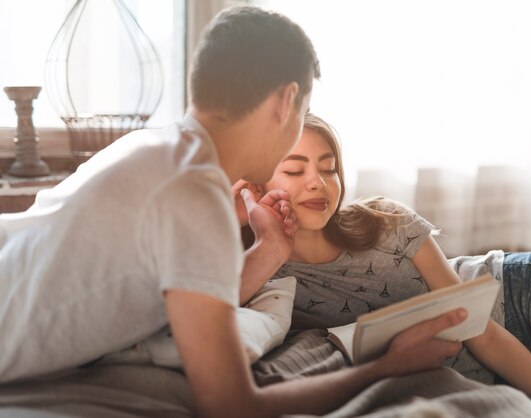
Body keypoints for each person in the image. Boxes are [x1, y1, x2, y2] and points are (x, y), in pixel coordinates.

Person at [0, 6, 469, 418]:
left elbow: (187, 304)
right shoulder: (192, 192)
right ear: (287, 102)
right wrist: (386, 367)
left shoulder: (153, 149)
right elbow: (231, 407)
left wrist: (270, 248)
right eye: (303, 111)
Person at [234, 113, 531, 418]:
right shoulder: (260, 269)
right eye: (294, 169)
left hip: (522, 297)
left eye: (328, 167)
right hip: (483, 380)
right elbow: (200, 315)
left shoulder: (387, 221)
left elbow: (481, 332)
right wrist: (247, 225)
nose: (318, 182)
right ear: (256, 187)